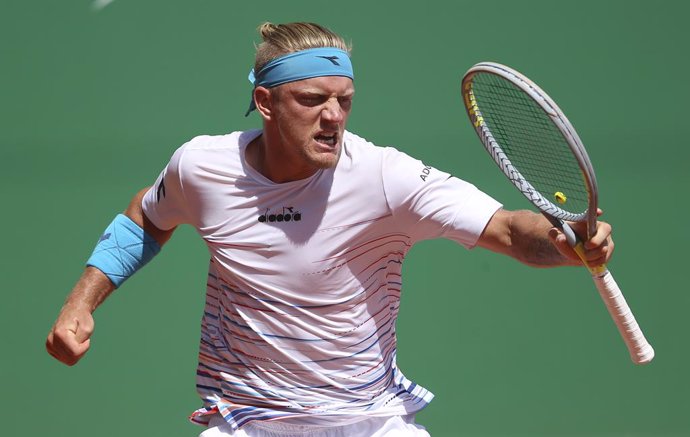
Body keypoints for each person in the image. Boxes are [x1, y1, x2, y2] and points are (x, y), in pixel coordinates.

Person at [46, 22, 613, 437]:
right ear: (265, 103)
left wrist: (565, 243)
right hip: (249, 419)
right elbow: (147, 217)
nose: (334, 116)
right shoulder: (200, 167)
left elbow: (512, 231)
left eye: (344, 101)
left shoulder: (386, 178)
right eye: (313, 100)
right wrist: (82, 302)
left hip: (368, 422)